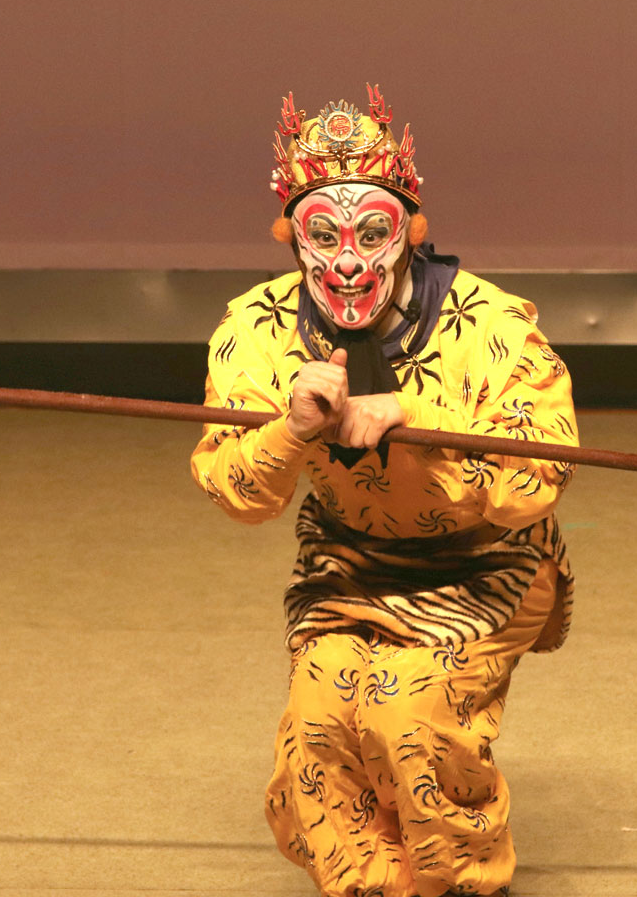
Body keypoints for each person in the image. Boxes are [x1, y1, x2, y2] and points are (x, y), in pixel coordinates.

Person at [190, 85, 578, 897]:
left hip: (485, 565)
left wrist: (416, 415)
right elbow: (237, 491)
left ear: (411, 231)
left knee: (406, 708)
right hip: (348, 562)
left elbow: (537, 480)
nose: (347, 261)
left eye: (372, 233)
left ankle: (463, 880)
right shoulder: (255, 330)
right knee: (322, 713)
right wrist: (290, 428)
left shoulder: (493, 326)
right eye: (323, 235)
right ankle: (369, 882)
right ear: (290, 236)